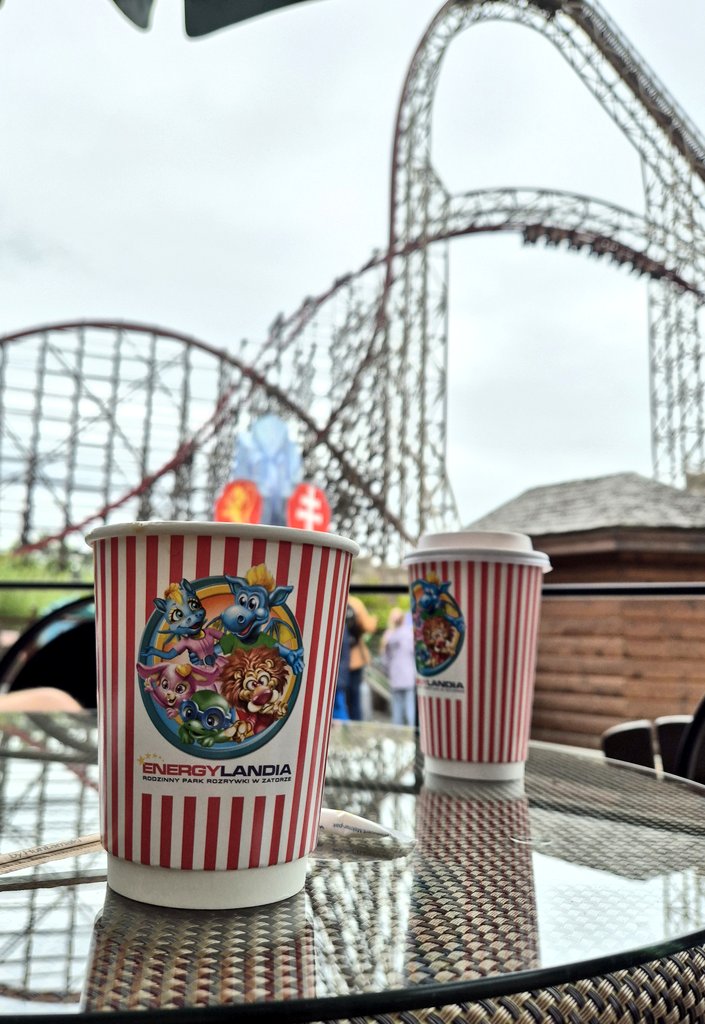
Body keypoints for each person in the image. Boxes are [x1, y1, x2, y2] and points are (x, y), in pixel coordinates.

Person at [380, 607, 416, 726]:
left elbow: (385, 658)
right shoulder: (410, 635)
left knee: (397, 708)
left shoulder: (388, 636)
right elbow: (415, 654)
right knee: (410, 707)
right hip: (409, 675)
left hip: (395, 676)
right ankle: (412, 734)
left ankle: (398, 734)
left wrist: (387, 671)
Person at [344, 595, 377, 721]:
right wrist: (374, 619)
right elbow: (369, 626)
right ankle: (355, 727)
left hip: (336, 661)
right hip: (355, 658)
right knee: (354, 698)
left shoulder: (331, 600)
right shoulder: (355, 603)